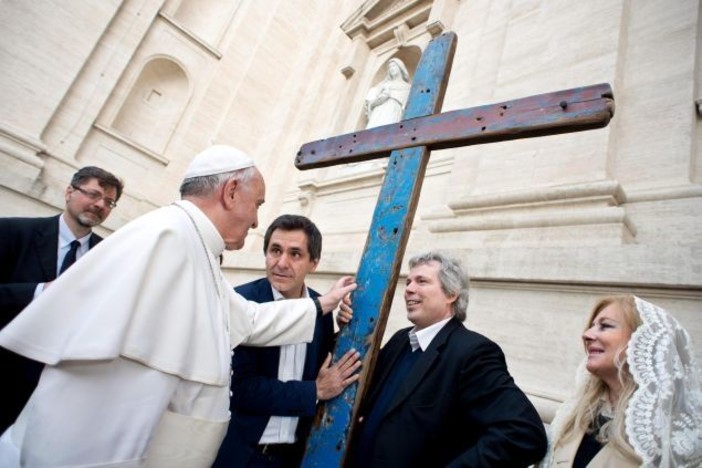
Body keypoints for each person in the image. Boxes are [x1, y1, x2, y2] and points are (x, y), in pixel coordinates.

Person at [0, 145, 357, 467]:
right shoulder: (165, 238)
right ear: (231, 192)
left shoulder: (193, 244)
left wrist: (323, 303)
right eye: (257, 204)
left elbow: (245, 318)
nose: (255, 220)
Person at [345, 251, 547, 467]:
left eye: (422, 281)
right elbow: (354, 384)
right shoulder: (400, 340)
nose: (409, 289)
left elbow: (524, 433)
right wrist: (347, 327)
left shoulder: (473, 353)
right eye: (408, 282)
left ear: (452, 294)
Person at [213, 214, 361, 467]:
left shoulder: (321, 311)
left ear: (313, 263)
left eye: (295, 254)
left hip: (294, 457)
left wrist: (343, 330)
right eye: (275, 250)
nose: (281, 263)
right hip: (241, 454)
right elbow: (240, 388)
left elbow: (322, 365)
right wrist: (314, 391)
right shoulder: (241, 302)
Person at [0, 165, 124, 432]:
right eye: (92, 194)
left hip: (58, 388)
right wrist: (41, 291)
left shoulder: (111, 256)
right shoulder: (12, 232)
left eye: (108, 201)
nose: (99, 204)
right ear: (69, 192)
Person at [541, 295, 702, 467]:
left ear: (642, 341)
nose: (586, 335)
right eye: (592, 326)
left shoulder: (671, 432)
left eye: (605, 326)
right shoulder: (576, 411)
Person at [364, 57, 411, 129]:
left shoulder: (407, 87)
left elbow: (406, 106)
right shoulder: (385, 84)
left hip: (394, 111)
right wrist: (380, 98)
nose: (391, 68)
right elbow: (372, 99)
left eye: (394, 66)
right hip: (379, 112)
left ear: (400, 67)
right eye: (390, 67)